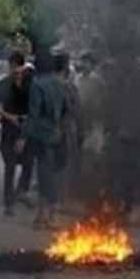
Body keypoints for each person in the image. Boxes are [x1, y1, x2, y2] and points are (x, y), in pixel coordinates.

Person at [103, 48, 140, 226]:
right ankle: (126, 208)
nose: (120, 62)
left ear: (130, 58)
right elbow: (114, 104)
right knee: (125, 175)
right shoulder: (120, 78)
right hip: (123, 135)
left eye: (123, 59)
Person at [23, 52, 66, 229]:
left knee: (43, 175)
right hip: (57, 134)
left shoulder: (37, 85)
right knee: (52, 174)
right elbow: (66, 110)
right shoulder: (61, 84)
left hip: (41, 135)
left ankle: (44, 215)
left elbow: (33, 115)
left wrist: (23, 137)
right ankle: (49, 214)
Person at [0, 52, 34, 216]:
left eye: (18, 67)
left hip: (27, 128)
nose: (15, 70)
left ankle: (21, 191)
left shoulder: (31, 85)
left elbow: (35, 110)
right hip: (9, 129)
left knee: (28, 164)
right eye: (12, 67)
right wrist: (9, 116)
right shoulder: (4, 84)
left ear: (23, 67)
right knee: (9, 166)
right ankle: (8, 202)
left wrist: (24, 135)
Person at [55, 54, 84, 206]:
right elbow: (77, 110)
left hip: (55, 131)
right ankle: (62, 199)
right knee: (65, 166)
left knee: (57, 166)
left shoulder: (50, 86)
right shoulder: (69, 88)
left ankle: (56, 199)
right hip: (65, 131)